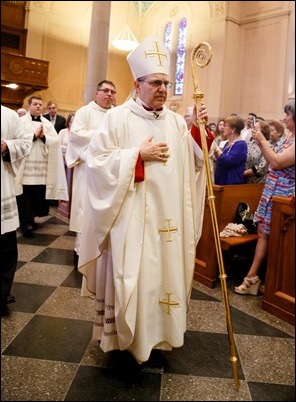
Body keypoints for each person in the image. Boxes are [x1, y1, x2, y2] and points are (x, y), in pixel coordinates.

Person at [77, 33, 214, 365]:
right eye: (156, 83)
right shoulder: (117, 119)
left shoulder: (176, 122)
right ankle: (124, 342)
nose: (163, 90)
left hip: (168, 226)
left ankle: (157, 338)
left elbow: (194, 164)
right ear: (137, 85)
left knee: (161, 283)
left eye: (166, 83)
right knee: (133, 281)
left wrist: (197, 131)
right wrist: (137, 155)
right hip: (131, 223)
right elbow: (96, 163)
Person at [235, 101, 295, 295]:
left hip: (284, 193)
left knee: (275, 237)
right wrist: (261, 142)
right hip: (272, 189)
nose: (285, 118)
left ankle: (268, 281)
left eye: (288, 115)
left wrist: (262, 139)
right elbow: (271, 159)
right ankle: (254, 277)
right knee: (263, 232)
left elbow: (277, 163)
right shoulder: (289, 137)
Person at [65, 80, 117, 268]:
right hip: (88, 171)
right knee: (85, 212)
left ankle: (102, 256)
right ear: (97, 93)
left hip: (109, 173)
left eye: (112, 91)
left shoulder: (116, 114)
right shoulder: (84, 112)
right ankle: (81, 254)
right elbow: (76, 135)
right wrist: (102, 135)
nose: (109, 94)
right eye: (105, 90)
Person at [16, 95, 68, 237]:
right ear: (29, 106)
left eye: (40, 104)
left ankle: (32, 219)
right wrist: (33, 135)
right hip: (26, 166)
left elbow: (55, 141)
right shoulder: (20, 122)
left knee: (36, 193)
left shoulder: (47, 124)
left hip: (41, 166)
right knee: (24, 193)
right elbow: (17, 139)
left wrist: (44, 137)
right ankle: (24, 222)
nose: (38, 106)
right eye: (35, 104)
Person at [1, 106, 32, 316]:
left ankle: (1, 293)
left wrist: (5, 146)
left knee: (4, 247)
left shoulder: (9, 115)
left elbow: (24, 143)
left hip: (1, 185)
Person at [212, 115, 247, 184]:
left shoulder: (241, 145)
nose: (223, 128)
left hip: (231, 184)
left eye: (226, 126)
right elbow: (220, 161)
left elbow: (228, 161)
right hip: (220, 182)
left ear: (233, 129)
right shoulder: (226, 144)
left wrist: (217, 149)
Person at [243, 119, 270, 184]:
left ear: (263, 132)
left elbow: (262, 168)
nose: (252, 130)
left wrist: (242, 174)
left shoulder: (268, 146)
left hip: (258, 183)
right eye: (252, 128)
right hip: (244, 182)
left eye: (255, 128)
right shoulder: (249, 144)